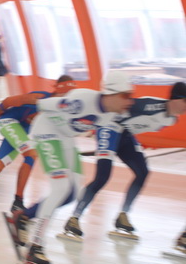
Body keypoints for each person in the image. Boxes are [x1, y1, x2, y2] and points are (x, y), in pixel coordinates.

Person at [6, 71, 133, 264]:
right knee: (61, 188)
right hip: (46, 132)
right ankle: (35, 248)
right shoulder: (81, 101)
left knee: (72, 194)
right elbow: (43, 105)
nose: (129, 101)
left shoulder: (111, 115)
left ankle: (22, 217)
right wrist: (14, 111)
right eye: (126, 96)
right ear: (111, 94)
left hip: (65, 138)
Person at [63, 81, 186, 240]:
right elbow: (116, 108)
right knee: (103, 177)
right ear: (175, 99)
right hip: (109, 127)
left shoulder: (172, 119)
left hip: (125, 135)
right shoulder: (150, 105)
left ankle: (123, 216)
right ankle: (74, 218)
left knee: (142, 172)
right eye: (185, 101)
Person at [0, 75, 76, 222]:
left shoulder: (59, 110)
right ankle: (18, 202)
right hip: (9, 121)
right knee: (31, 155)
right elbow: (8, 101)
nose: (67, 98)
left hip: (22, 129)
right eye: (66, 93)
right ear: (59, 91)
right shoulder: (40, 98)